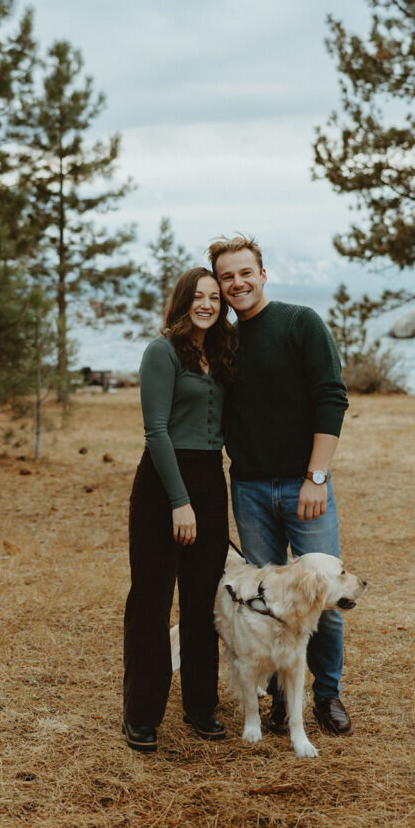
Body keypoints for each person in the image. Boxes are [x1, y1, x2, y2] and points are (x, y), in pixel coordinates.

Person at [207, 235, 352, 737]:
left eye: (245, 272)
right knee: (263, 601)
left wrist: (316, 477)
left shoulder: (300, 323)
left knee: (324, 599)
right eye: (227, 277)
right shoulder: (221, 340)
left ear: (263, 274)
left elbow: (332, 398)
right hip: (247, 487)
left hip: (302, 484)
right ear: (220, 285)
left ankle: (327, 695)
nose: (237, 283)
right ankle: (274, 700)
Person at [122, 267, 236, 752]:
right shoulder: (161, 351)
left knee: (200, 601)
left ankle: (200, 707)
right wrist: (179, 502)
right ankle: (141, 714)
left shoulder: (223, 352)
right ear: (183, 300)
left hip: (212, 480)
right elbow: (156, 431)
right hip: (164, 487)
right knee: (151, 601)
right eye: (199, 296)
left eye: (215, 297)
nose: (207, 304)